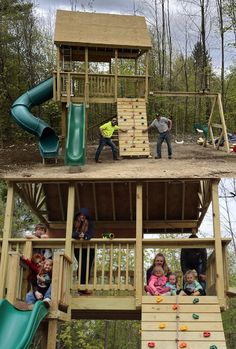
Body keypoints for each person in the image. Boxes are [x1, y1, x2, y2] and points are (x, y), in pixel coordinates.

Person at [72, 208, 95, 292]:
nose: (82, 216)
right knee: (82, 265)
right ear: (78, 215)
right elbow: (72, 234)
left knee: (87, 266)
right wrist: (79, 235)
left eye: (84, 215)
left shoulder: (90, 223)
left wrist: (84, 236)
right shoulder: (75, 223)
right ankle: (80, 287)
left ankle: (84, 287)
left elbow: (91, 234)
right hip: (79, 248)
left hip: (90, 249)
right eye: (81, 215)